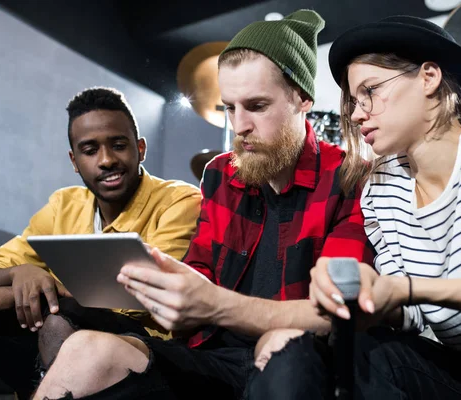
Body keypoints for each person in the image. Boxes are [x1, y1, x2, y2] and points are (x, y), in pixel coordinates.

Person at [31, 9, 375, 400]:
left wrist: (213, 304)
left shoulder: (350, 177)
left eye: (257, 106)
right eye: (230, 107)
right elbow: (200, 271)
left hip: (296, 359)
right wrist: (164, 285)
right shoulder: (220, 173)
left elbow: (335, 314)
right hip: (209, 356)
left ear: (302, 99)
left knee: (283, 347)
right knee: (84, 348)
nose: (239, 125)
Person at [249, 15, 461, 400]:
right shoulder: (381, 190)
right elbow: (410, 313)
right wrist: (362, 293)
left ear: (428, 77)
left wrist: (409, 288)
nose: (358, 114)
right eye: (354, 102)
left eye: (370, 91)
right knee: (362, 351)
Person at [0, 87, 201, 399]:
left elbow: (143, 292)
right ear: (74, 160)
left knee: (59, 320)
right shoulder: (63, 203)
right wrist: (19, 274)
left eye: (119, 145)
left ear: (141, 148)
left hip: (147, 347)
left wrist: (10, 294)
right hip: (66, 327)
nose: (107, 160)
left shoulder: (180, 200)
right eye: (90, 150)